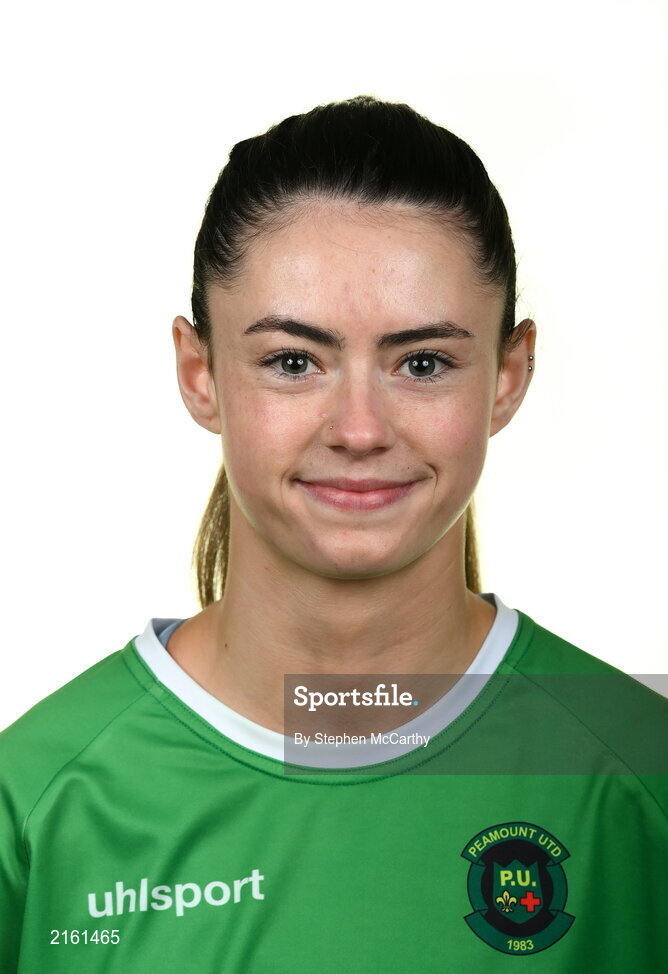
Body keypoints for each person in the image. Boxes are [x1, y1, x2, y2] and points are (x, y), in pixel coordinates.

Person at [1, 94, 666, 973]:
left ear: (508, 377)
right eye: (293, 362)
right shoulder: (40, 799)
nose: (359, 429)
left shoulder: (639, 777)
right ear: (200, 375)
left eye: (422, 363)